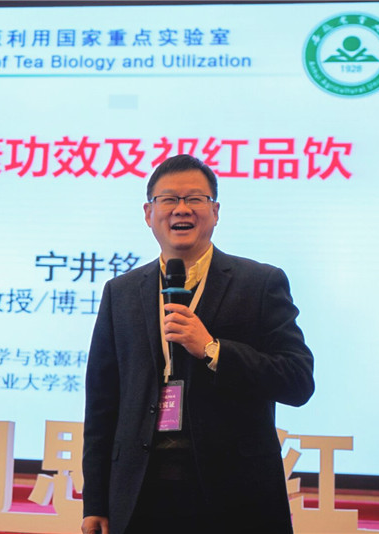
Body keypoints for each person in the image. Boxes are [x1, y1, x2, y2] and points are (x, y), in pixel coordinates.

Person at [81, 154, 315, 534]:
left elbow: (298, 380)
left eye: (195, 199)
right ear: (148, 213)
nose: (182, 209)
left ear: (215, 211)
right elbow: (102, 404)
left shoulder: (260, 283)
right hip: (140, 493)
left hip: (235, 495)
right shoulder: (120, 292)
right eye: (169, 199)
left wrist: (213, 349)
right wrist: (96, 501)